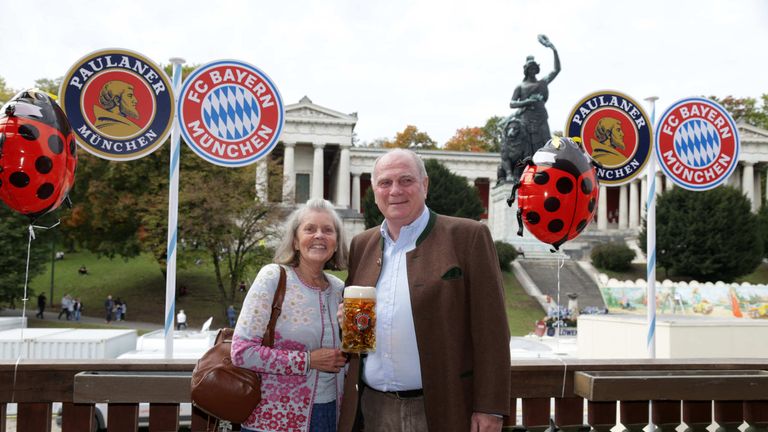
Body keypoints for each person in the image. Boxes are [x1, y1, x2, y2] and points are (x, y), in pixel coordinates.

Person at [338, 149, 511, 432]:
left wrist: (490, 407)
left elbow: (492, 330)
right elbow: (357, 334)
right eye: (385, 182)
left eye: (406, 180)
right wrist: (345, 323)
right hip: (373, 409)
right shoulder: (362, 244)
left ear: (425, 185)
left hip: (442, 409)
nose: (395, 190)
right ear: (374, 190)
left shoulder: (468, 237)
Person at [231, 198, 349, 432]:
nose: (319, 236)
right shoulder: (274, 277)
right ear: (295, 241)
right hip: (272, 420)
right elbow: (241, 352)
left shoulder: (339, 289)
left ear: (336, 242)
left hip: (330, 415)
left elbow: (344, 358)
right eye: (310, 229)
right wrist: (308, 360)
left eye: (328, 230)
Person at [507, 34, 560, 164]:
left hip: (541, 116)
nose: (533, 70)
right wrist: (527, 101)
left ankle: (545, 167)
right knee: (528, 146)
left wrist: (554, 50)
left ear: (537, 69)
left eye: (534, 68)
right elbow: (512, 103)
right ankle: (526, 168)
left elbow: (557, 69)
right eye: (530, 68)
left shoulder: (542, 82)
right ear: (526, 70)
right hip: (526, 119)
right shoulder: (521, 86)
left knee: (546, 142)